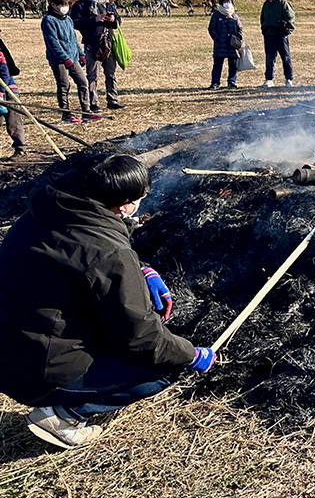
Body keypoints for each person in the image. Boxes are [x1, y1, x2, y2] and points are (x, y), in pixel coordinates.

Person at [0, 153, 215, 449]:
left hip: (11, 344)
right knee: (164, 366)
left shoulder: (50, 210)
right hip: (35, 369)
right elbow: (143, 339)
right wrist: (191, 355)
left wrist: (141, 271)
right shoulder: (108, 251)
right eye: (141, 197)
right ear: (124, 206)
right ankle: (61, 414)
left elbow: (75, 257)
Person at [69, 0, 123, 113]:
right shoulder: (81, 5)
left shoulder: (108, 4)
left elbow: (118, 22)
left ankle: (113, 100)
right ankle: (93, 103)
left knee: (111, 74)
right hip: (92, 43)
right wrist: (94, 19)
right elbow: (75, 22)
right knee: (92, 75)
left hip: (108, 43)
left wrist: (113, 19)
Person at [41, 0, 91, 124]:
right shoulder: (48, 20)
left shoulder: (68, 19)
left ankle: (86, 111)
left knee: (83, 82)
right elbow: (53, 42)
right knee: (64, 85)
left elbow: (73, 39)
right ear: (53, 5)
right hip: (59, 60)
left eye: (66, 4)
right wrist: (64, 58)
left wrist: (80, 54)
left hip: (73, 57)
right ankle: (66, 114)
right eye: (61, 4)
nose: (65, 7)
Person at [258, 0, 296, 88]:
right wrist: (264, 29)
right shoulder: (266, 4)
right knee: (269, 58)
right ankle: (269, 79)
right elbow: (263, 18)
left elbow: (290, 18)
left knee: (285, 57)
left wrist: (286, 31)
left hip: (280, 35)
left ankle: (288, 79)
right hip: (269, 35)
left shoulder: (282, 3)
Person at [206, 0, 244, 89]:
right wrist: (216, 38)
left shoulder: (234, 15)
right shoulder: (216, 14)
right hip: (220, 44)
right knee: (218, 65)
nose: (227, 4)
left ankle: (231, 82)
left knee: (233, 65)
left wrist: (238, 38)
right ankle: (215, 83)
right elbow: (211, 28)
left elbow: (240, 28)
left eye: (229, 1)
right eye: (225, 2)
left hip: (232, 44)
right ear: (221, 3)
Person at [0, 25, 24, 156]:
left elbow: (4, 71)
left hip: (7, 89)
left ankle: (20, 149)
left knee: (13, 121)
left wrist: (1, 91)